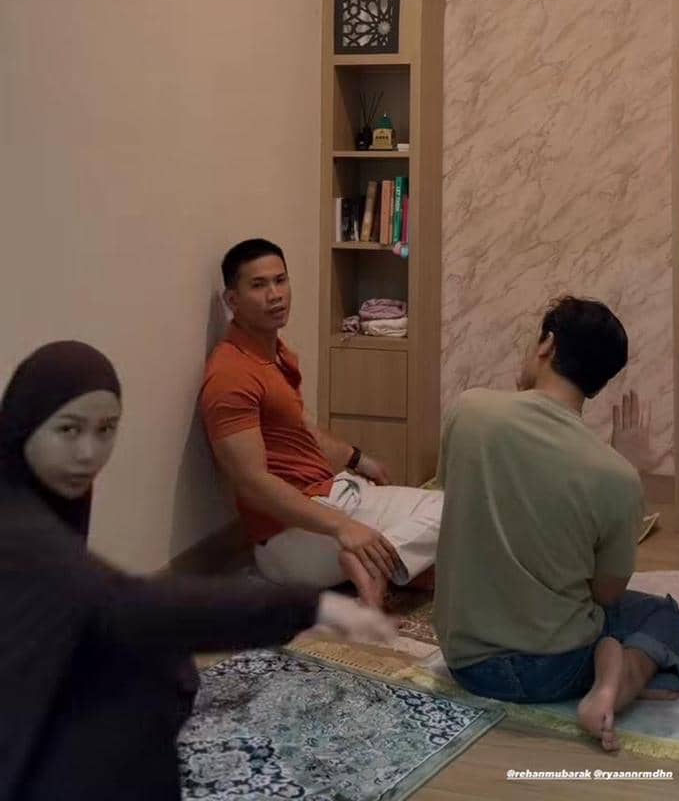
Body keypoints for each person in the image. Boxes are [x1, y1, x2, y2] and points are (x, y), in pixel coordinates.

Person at [0, 341, 394, 801]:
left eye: (106, 429)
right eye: (68, 430)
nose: (88, 453)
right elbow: (127, 605)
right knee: (142, 685)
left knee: (169, 665)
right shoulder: (19, 529)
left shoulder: (43, 485)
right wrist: (310, 606)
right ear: (26, 423)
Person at [433, 296, 679, 753]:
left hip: (466, 663)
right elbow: (606, 593)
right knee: (664, 615)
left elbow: (455, 498)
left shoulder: (467, 412)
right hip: (555, 669)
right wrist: (628, 466)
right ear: (599, 382)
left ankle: (609, 676)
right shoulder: (616, 475)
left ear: (547, 345)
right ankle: (616, 687)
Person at [199, 238, 442, 608]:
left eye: (280, 280)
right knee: (450, 511)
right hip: (291, 539)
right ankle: (373, 563)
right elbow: (251, 483)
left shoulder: (274, 354)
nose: (275, 295)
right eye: (259, 285)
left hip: (330, 497)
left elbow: (303, 429)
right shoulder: (230, 375)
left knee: (452, 527)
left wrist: (358, 459)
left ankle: (387, 562)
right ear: (233, 300)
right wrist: (343, 527)